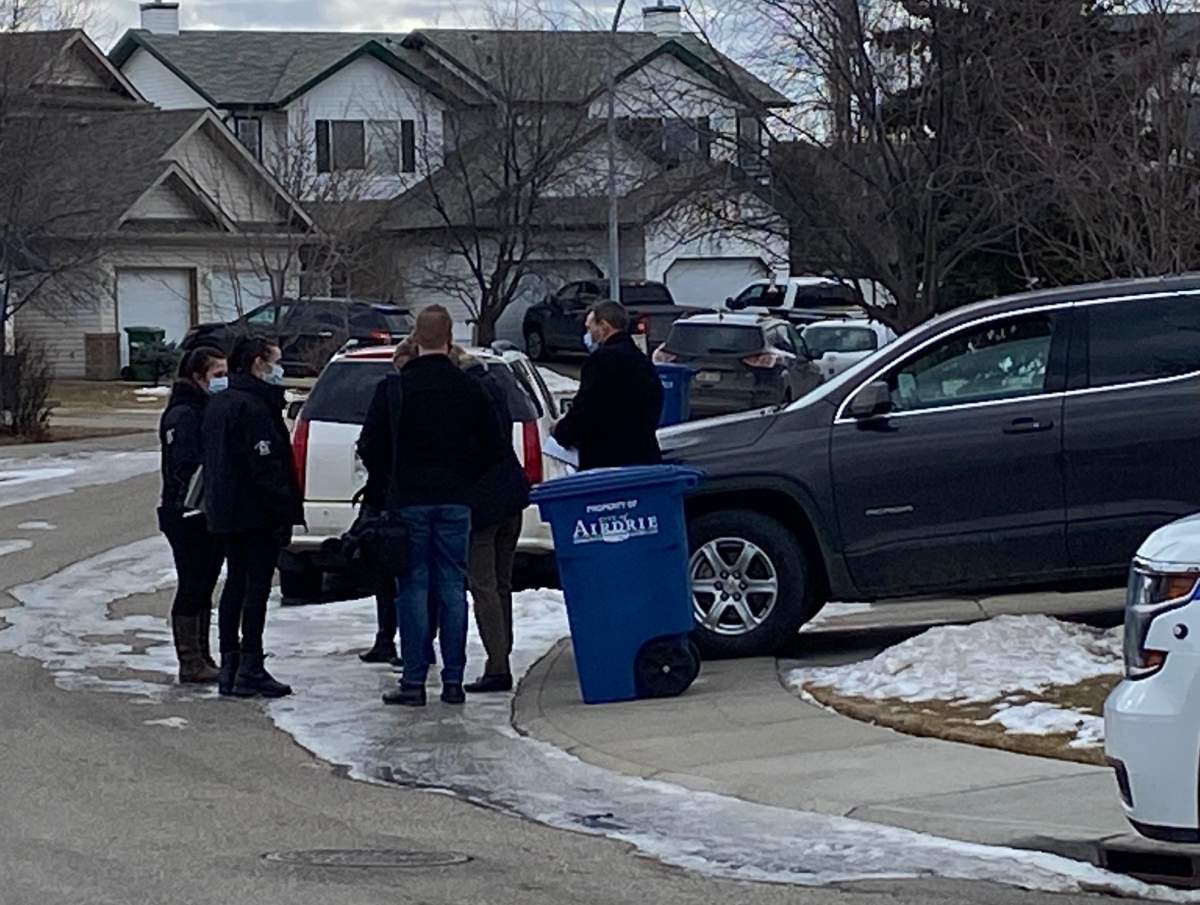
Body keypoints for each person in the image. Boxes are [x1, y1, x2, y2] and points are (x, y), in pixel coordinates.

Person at [360, 306, 508, 707]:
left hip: (408, 501)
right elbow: (495, 447)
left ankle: (413, 680)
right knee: (452, 588)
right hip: (456, 501)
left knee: (412, 588)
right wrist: (464, 476)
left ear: (416, 338)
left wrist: (391, 479)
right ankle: (454, 681)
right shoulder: (470, 388)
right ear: (449, 339)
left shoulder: (394, 390)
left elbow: (369, 446)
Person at [202, 336, 303, 699]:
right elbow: (266, 466)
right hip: (255, 513)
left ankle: (231, 661)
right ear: (259, 362)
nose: (280, 370)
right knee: (254, 588)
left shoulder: (220, 402)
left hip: (227, 509)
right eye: (275, 362)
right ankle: (250, 664)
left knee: (236, 583)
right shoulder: (254, 407)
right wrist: (282, 508)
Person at [449, 346, 530, 694]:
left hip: (483, 503)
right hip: (511, 493)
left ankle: (498, 665)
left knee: (483, 587)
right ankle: (501, 657)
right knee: (500, 583)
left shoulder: (467, 397)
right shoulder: (496, 386)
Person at [158, 346, 228, 685]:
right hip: (186, 510)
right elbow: (184, 466)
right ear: (198, 377)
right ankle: (190, 658)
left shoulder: (204, 409)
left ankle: (202, 652)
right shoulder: (184, 414)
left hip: (204, 508)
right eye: (217, 375)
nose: (223, 382)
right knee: (193, 581)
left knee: (204, 582)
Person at [355, 340, 417, 666]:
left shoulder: (389, 391)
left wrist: (379, 476)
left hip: (388, 496)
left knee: (387, 570)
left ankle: (387, 637)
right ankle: (421, 642)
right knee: (423, 573)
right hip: (427, 494)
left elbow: (369, 442)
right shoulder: (444, 388)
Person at [552, 300, 664, 470]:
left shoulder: (600, 361)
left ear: (603, 327)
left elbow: (586, 409)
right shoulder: (642, 361)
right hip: (643, 458)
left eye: (589, 328)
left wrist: (561, 431)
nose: (587, 335)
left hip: (607, 461)